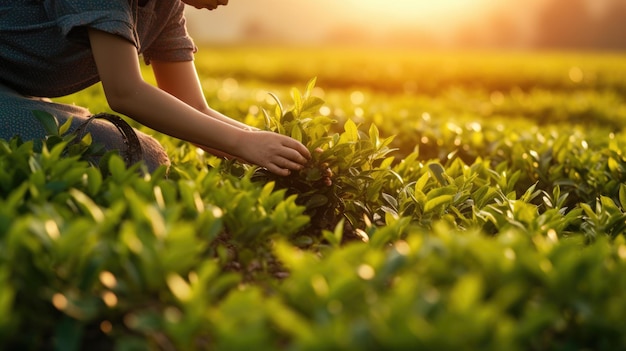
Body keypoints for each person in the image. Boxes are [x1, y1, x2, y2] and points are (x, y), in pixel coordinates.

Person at [0, 0, 311, 175]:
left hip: (14, 90)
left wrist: (275, 149)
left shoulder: (167, 8)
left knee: (135, 156)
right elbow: (125, 92)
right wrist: (244, 144)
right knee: (124, 154)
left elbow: (195, 107)